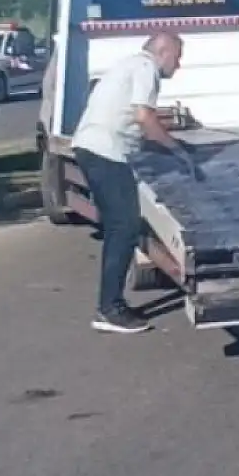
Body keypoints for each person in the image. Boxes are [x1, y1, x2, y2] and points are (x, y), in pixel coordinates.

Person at [71, 33, 192, 335]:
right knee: (123, 227)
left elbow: (129, 118)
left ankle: (118, 301)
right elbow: (143, 117)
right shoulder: (145, 68)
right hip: (105, 151)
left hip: (91, 147)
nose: (178, 65)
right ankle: (109, 309)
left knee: (124, 226)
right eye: (177, 57)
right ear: (162, 51)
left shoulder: (127, 65)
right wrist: (177, 150)